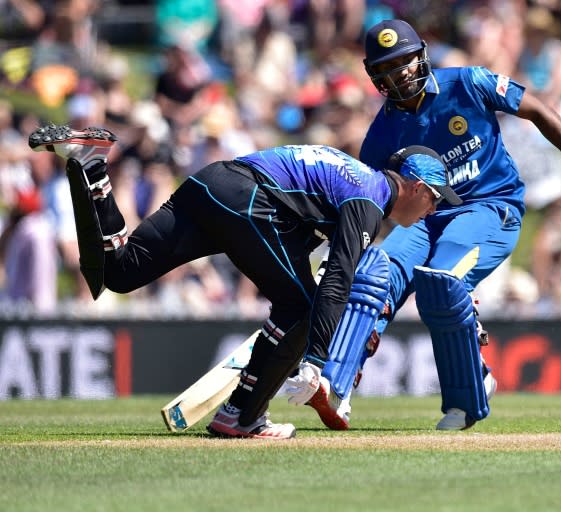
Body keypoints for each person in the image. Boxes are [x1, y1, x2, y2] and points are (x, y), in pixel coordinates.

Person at [28, 123, 461, 439]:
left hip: (211, 184)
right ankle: (242, 415)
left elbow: (304, 230)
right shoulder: (369, 200)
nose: (430, 212)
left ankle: (92, 164)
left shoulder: (358, 181)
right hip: (247, 199)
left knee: (121, 272)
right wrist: (314, 360)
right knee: (302, 308)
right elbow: (338, 282)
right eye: (434, 201)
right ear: (418, 188)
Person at [289, 19, 561, 431]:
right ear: (375, 78)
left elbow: (533, 108)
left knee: (441, 281)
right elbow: (371, 206)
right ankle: (335, 383)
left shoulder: (468, 82)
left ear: (422, 55)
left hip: (490, 207)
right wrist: (338, 250)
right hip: (426, 218)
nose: (401, 74)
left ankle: (467, 395)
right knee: (372, 272)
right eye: (388, 69)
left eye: (406, 62)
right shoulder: (381, 134)